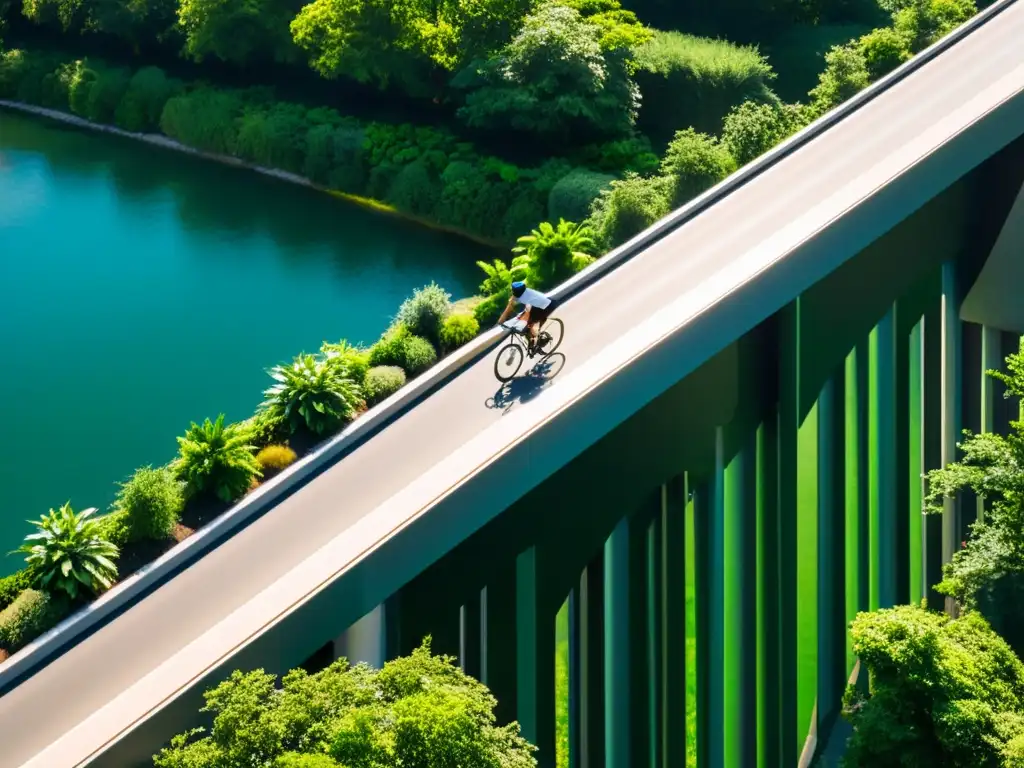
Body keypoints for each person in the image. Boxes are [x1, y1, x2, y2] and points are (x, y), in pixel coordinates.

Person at [497, 280, 557, 354]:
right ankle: (534, 341)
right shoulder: (520, 294)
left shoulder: (525, 297)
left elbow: (528, 312)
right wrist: (501, 320)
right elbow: (509, 307)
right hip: (539, 305)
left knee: (529, 327)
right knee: (527, 326)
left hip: (546, 307)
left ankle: (539, 343)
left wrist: (501, 321)